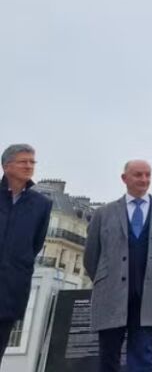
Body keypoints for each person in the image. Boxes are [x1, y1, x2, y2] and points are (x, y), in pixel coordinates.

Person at [84, 160, 152, 372]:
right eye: (138, 175)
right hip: (111, 293)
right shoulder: (103, 213)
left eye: (147, 175)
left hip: (147, 294)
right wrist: (106, 280)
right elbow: (91, 256)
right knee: (109, 355)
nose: (144, 180)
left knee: (144, 355)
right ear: (124, 178)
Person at [0, 144, 52, 366]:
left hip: (11, 289)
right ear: (6, 165)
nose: (29, 166)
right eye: (23, 161)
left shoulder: (42, 205)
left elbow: (35, 244)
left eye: (32, 162)